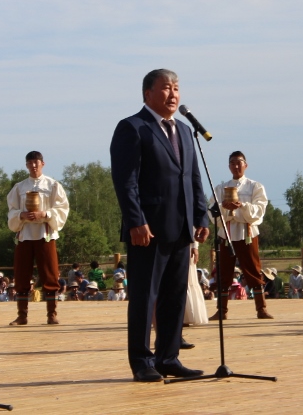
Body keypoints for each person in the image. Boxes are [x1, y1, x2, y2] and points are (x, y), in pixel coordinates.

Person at [110, 68, 210, 382]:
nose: (173, 94)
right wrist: (136, 221)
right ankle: (142, 361)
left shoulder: (183, 130)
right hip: (148, 231)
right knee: (144, 297)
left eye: (176, 88)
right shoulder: (132, 128)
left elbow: (193, 178)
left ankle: (168, 358)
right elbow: (126, 182)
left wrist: (201, 215)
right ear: (148, 94)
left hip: (181, 229)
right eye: (166, 88)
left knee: (175, 295)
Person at [208, 150, 273, 320]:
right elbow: (212, 211)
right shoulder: (221, 188)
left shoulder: (255, 186)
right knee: (223, 271)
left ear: (246, 165)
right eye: (232, 163)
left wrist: (241, 206)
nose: (236, 166)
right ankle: (221, 310)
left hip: (246, 233)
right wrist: (225, 210)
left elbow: (259, 210)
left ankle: (261, 308)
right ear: (229, 166)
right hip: (227, 233)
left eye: (239, 162)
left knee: (253, 269)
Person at [7, 151, 70, 325]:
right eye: (30, 163)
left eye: (36, 162)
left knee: (49, 273)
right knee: (21, 274)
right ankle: (22, 315)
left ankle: (51, 314)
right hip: (25, 235)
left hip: (45, 234)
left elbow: (63, 208)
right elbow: (11, 210)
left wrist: (45, 213)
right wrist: (21, 215)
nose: (33, 166)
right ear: (26, 165)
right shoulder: (19, 187)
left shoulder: (53, 185)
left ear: (43, 163)